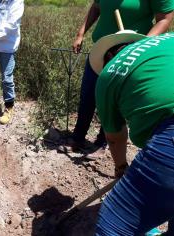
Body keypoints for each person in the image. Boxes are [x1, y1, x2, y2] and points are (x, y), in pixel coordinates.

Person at [89, 30, 174, 235]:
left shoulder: (111, 71)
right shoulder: (168, 39)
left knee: (113, 226)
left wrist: (121, 169)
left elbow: (115, 137)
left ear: (108, 57)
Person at [69, 0, 174, 157]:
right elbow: (96, 7)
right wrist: (80, 34)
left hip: (130, 54)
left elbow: (165, 18)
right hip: (102, 49)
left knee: (114, 100)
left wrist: (141, 46)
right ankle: (78, 137)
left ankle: (102, 143)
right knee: (88, 96)